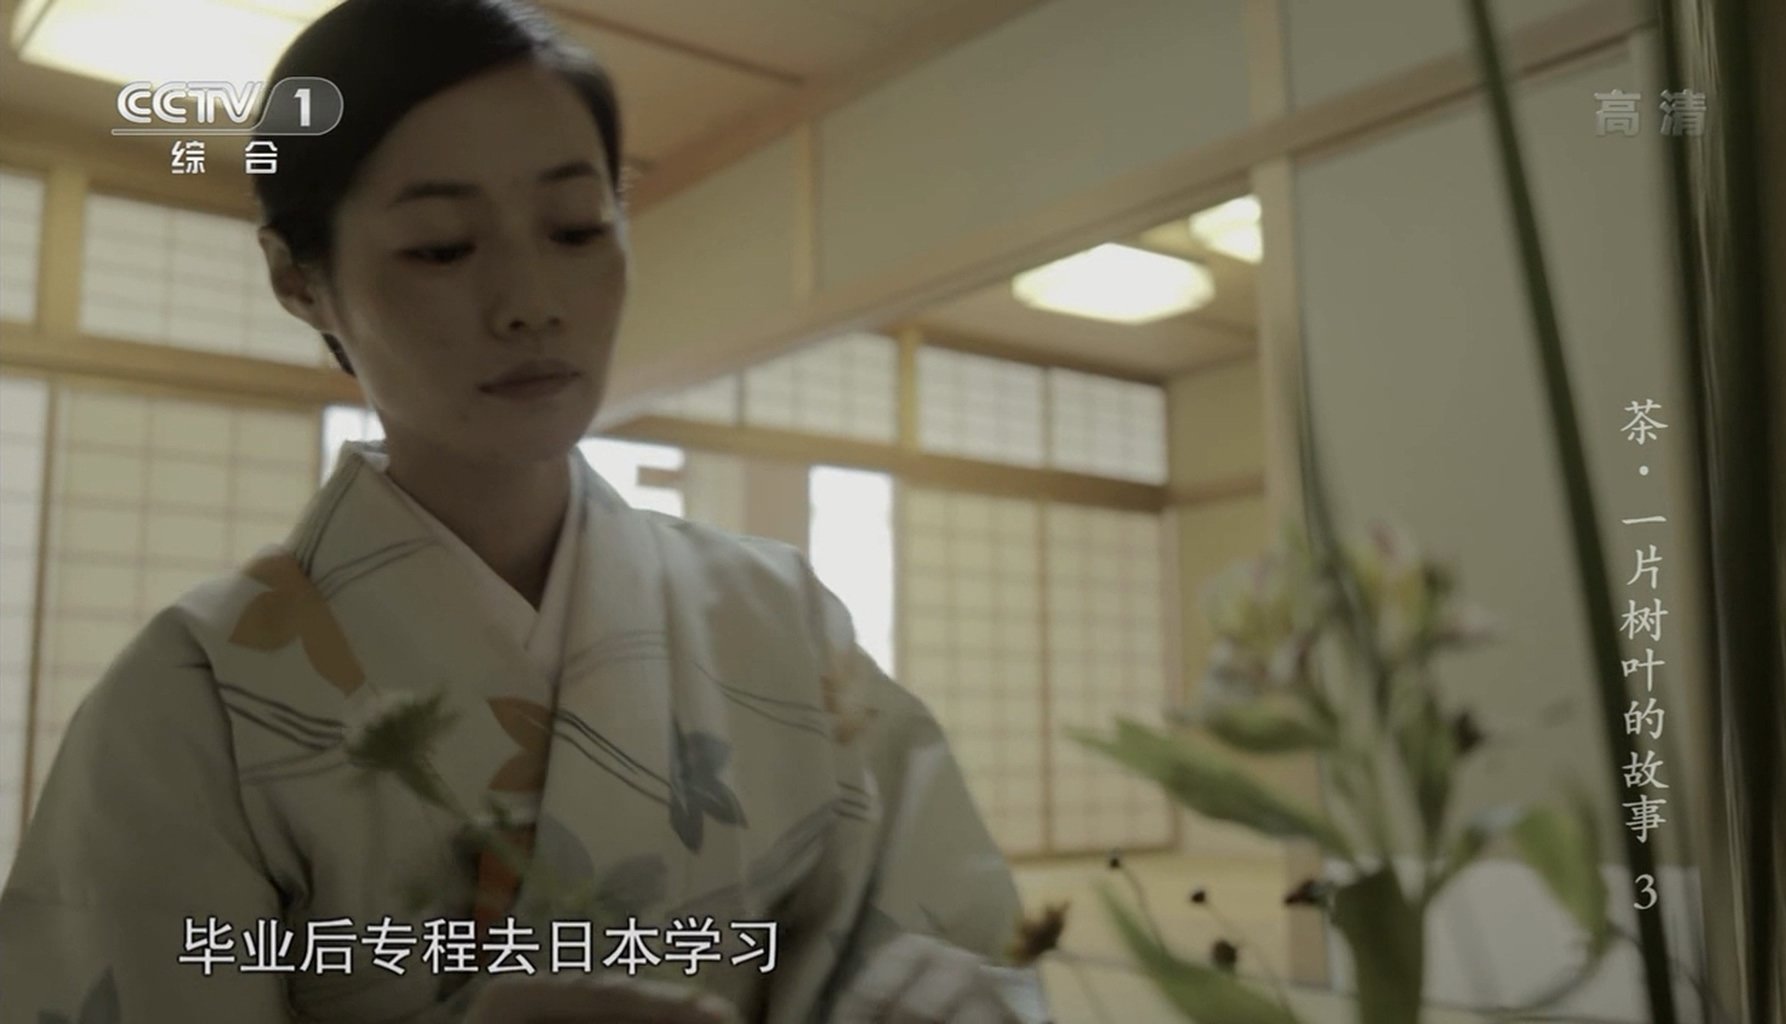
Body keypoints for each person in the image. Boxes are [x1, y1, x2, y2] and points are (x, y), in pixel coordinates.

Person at [0, 2, 1048, 1021]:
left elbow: (956, 933)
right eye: (442, 246)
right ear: (300, 279)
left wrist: (959, 992)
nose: (533, 302)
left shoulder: (783, 617)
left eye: (576, 228)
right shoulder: (190, 701)